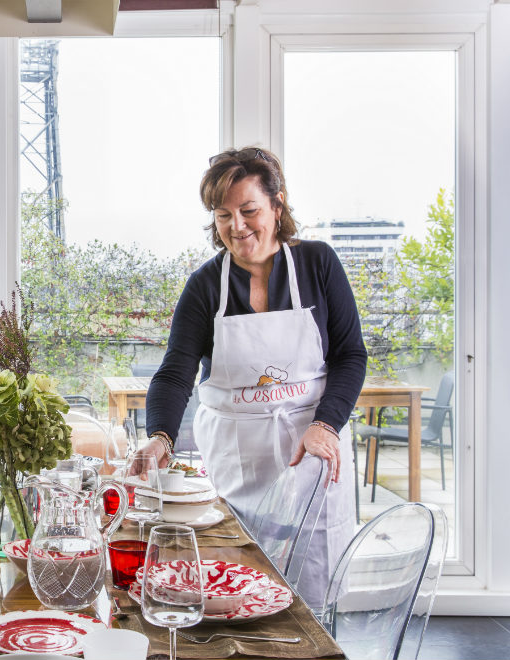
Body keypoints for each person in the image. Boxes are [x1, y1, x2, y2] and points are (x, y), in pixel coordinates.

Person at [136, 146, 367, 604]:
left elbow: (351, 356)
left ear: (277, 207)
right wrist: (159, 436)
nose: (236, 227)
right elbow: (175, 372)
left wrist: (326, 426)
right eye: (223, 216)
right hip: (238, 465)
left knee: (310, 597)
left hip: (312, 456)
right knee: (233, 591)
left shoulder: (318, 265)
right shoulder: (205, 286)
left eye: (249, 211)